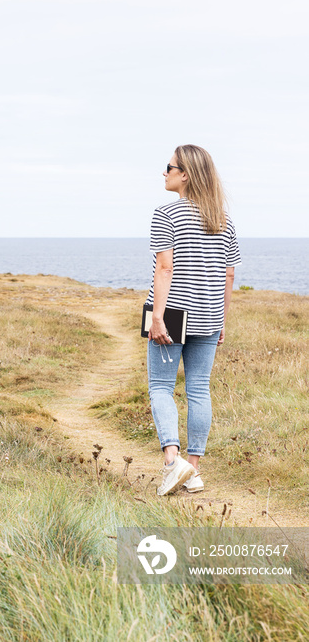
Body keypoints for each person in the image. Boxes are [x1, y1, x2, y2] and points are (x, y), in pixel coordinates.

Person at [146, 144, 241, 496]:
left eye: (168, 167)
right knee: (198, 388)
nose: (164, 172)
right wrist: (222, 321)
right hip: (210, 313)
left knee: (160, 386)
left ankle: (173, 463)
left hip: (172, 312)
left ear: (184, 174)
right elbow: (229, 276)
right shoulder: (223, 219)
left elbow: (165, 267)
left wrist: (157, 316)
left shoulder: (166, 214)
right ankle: (195, 471)